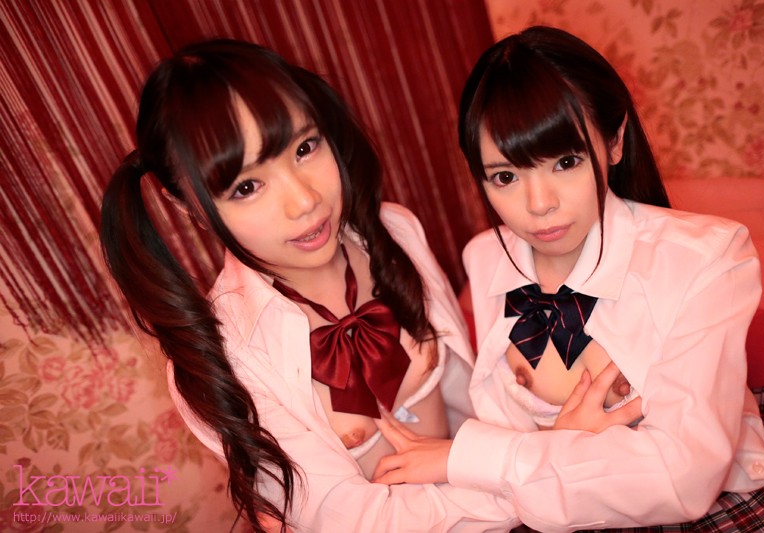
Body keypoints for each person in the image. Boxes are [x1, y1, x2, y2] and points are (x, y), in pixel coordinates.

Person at [374, 26, 764, 531]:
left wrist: (482, 456)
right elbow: (499, 423)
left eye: (566, 162)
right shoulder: (485, 256)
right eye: (505, 177)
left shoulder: (707, 258)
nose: (539, 204)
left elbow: (683, 480)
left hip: (714, 508)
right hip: (541, 507)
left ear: (614, 141)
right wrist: (549, 451)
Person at [99, 38, 522, 532]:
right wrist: (531, 478)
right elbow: (356, 522)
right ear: (185, 205)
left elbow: (468, 397)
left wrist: (535, 445)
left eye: (304, 148)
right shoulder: (223, 360)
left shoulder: (394, 231)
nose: (304, 201)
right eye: (247, 187)